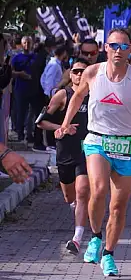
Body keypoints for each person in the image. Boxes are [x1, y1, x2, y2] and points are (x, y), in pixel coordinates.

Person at [55, 28, 131, 276]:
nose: (119, 51)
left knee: (118, 206)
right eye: (114, 45)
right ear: (107, 47)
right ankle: (94, 236)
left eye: (124, 47)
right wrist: (65, 123)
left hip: (127, 144)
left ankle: (109, 253)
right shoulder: (93, 72)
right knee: (99, 189)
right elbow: (76, 96)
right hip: (97, 140)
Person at [37, 59, 91, 254]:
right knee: (70, 196)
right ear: (70, 74)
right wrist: (61, 128)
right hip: (65, 152)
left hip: (87, 151)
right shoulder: (63, 95)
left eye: (83, 72)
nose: (79, 75)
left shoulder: (94, 95)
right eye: (76, 71)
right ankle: (76, 207)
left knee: (83, 191)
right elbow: (41, 122)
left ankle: (77, 238)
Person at [10, 36, 35, 144]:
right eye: (25, 43)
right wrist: (20, 74)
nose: (27, 45)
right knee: (21, 111)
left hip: (33, 89)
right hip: (20, 89)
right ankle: (20, 133)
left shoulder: (36, 57)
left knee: (32, 113)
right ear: (21, 43)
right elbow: (10, 72)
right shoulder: (16, 58)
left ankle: (30, 134)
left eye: (29, 43)